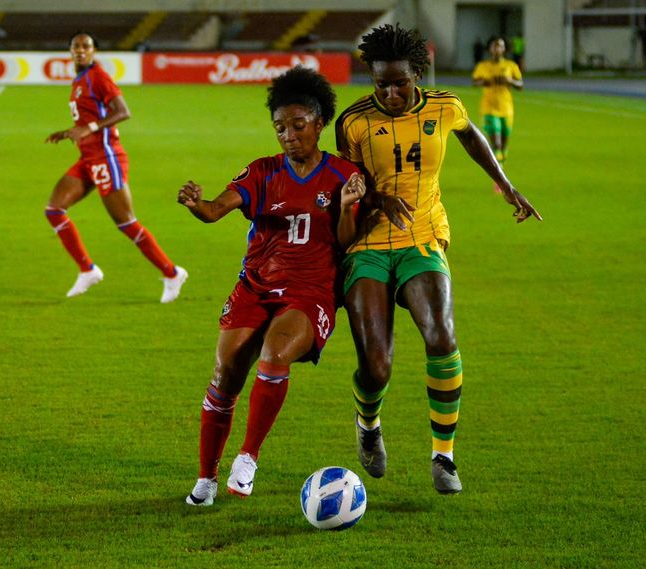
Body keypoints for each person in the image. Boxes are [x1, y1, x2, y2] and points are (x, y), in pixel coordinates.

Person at [335, 24, 541, 494]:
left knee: (441, 336)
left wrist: (507, 187)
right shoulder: (352, 121)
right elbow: (345, 185)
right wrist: (374, 201)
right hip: (368, 243)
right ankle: (368, 423)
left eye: (400, 82)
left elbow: (471, 138)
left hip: (424, 234)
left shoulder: (446, 106)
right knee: (377, 365)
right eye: (381, 83)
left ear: (418, 74)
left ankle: (443, 457)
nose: (390, 92)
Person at [180, 67, 365, 506]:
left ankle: (248, 456)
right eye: (280, 127)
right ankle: (206, 479)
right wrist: (195, 204)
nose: (288, 135)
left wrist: (346, 206)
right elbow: (214, 210)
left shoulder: (343, 174)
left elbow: (346, 241)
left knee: (275, 354)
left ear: (319, 125)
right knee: (225, 375)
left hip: (310, 289)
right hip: (256, 285)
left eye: (298, 125)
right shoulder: (263, 172)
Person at [45, 32, 187, 302]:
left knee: (126, 223)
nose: (80, 50)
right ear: (70, 50)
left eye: (86, 46)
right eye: (76, 46)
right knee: (53, 210)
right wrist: (67, 132)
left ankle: (171, 273)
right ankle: (88, 270)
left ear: (94, 50)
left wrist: (89, 128)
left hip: (106, 157)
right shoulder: (79, 80)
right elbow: (88, 116)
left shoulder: (97, 76)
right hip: (87, 158)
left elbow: (123, 111)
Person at [472, 36, 523, 175]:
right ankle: (498, 175)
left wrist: (510, 81)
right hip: (488, 108)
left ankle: (501, 166)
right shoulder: (483, 66)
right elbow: (474, 82)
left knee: (504, 145)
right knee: (497, 144)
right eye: (494, 46)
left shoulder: (511, 66)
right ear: (490, 49)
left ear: (504, 49)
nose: (497, 49)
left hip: (506, 109)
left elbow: (520, 85)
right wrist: (484, 82)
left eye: (500, 46)